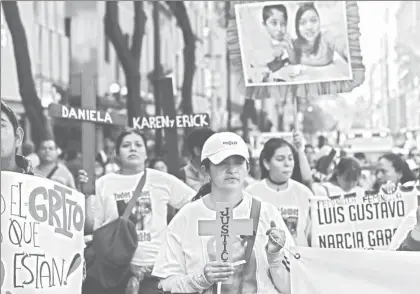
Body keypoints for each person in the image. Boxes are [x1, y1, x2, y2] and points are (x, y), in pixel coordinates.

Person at [152, 132, 293, 294]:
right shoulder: (187, 216)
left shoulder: (267, 214)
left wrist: (275, 257)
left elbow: (292, 286)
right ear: (206, 170)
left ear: (247, 167)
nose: (232, 169)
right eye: (222, 163)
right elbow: (165, 283)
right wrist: (199, 279)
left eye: (238, 163)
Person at [84, 128, 196, 294]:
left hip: (155, 271)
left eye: (138, 145)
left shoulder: (161, 180)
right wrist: (86, 194)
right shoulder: (103, 183)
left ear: (146, 153)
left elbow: (194, 204)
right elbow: (93, 226)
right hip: (115, 272)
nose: (133, 148)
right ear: (116, 153)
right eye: (126, 145)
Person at [245, 137, 313, 246]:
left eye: (290, 158)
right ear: (267, 164)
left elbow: (312, 235)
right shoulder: (251, 193)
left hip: (299, 260)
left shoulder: (304, 193)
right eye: (280, 159)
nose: (287, 164)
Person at [293, 2, 349, 66]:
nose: (309, 27)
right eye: (303, 23)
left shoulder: (326, 37)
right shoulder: (296, 43)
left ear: (319, 22)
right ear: (297, 27)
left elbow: (341, 47)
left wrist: (347, 52)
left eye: (313, 20)